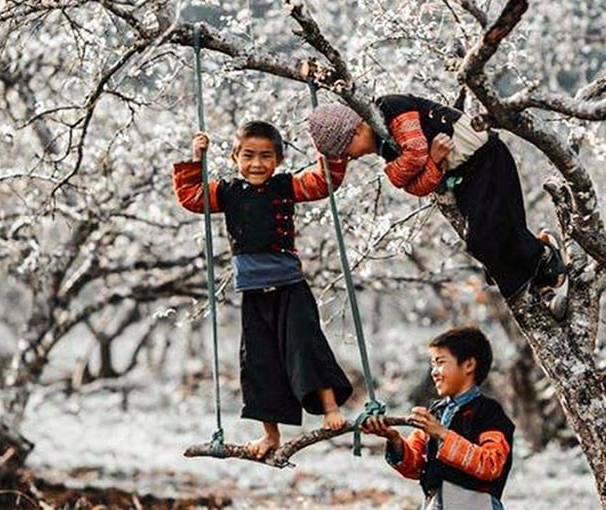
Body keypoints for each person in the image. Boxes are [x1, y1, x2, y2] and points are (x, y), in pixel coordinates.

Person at [172, 121, 353, 458]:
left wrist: (327, 149)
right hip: (253, 292)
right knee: (259, 362)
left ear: (279, 160)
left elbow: (322, 182)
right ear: (235, 157)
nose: (257, 164)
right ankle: (270, 435)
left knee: (305, 346)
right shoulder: (227, 192)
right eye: (248, 156)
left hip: (290, 287)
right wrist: (196, 159)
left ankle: (330, 408)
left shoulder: (285, 186)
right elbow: (191, 197)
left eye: (266, 156)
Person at [308, 95, 568, 319]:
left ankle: (544, 255)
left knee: (489, 234)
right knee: (481, 243)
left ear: (354, 132)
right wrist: (428, 163)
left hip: (485, 158)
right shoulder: (385, 144)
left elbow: (415, 154)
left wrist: (411, 168)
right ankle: (544, 291)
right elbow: (417, 187)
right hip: (464, 176)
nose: (350, 158)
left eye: (345, 151)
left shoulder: (390, 107)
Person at [362, 326, 515, 510]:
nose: (434, 372)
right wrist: (394, 439)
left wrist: (442, 434)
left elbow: (491, 465)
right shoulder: (436, 412)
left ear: (468, 365)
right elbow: (415, 466)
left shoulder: (489, 412)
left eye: (440, 362)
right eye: (433, 364)